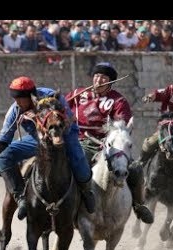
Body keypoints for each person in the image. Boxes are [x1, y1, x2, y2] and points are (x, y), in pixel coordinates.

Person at [0, 76, 95, 220]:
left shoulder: (53, 98)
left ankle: (86, 191)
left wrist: (53, 133)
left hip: (64, 135)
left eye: (20, 99)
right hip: (38, 140)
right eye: (15, 99)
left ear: (30, 97)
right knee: (4, 157)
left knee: (77, 157)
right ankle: (21, 197)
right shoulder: (15, 110)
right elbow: (3, 139)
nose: (17, 103)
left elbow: (68, 120)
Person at [66, 62, 154, 224]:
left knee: (135, 169)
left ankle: (138, 205)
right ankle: (64, 205)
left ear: (111, 82)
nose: (98, 80)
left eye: (103, 77)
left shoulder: (118, 101)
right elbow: (61, 109)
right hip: (77, 141)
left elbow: (122, 127)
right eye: (96, 76)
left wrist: (110, 139)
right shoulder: (78, 94)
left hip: (105, 144)